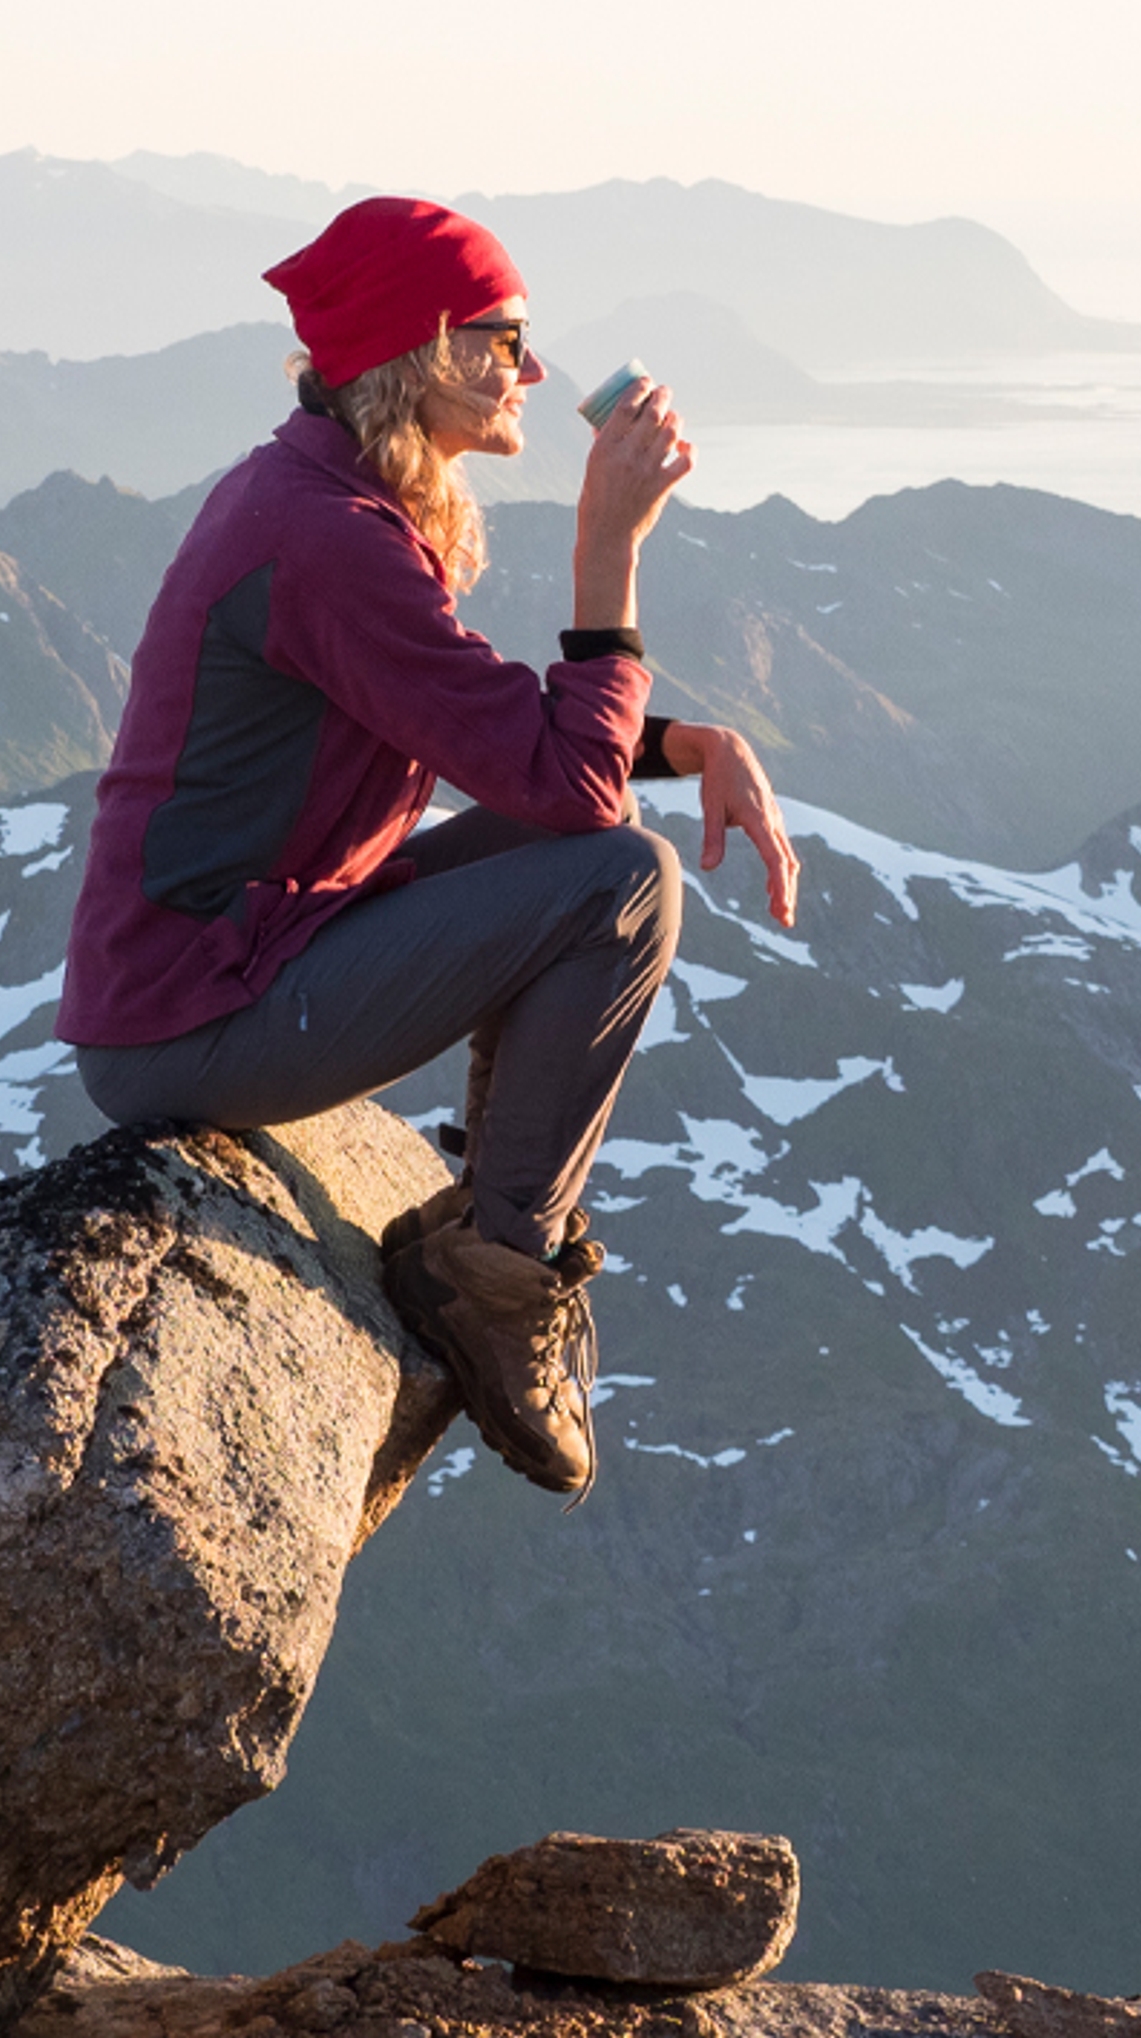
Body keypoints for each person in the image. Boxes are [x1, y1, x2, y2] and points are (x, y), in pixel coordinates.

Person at [59, 195, 799, 1500]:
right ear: (429, 349)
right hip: (195, 1021)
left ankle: (484, 1241)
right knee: (619, 881)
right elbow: (566, 790)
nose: (535, 369)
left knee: (602, 847)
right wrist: (607, 548)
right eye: (506, 337)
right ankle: (495, 1272)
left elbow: (496, 734)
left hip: (227, 968)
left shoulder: (323, 497)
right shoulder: (327, 537)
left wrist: (682, 745)